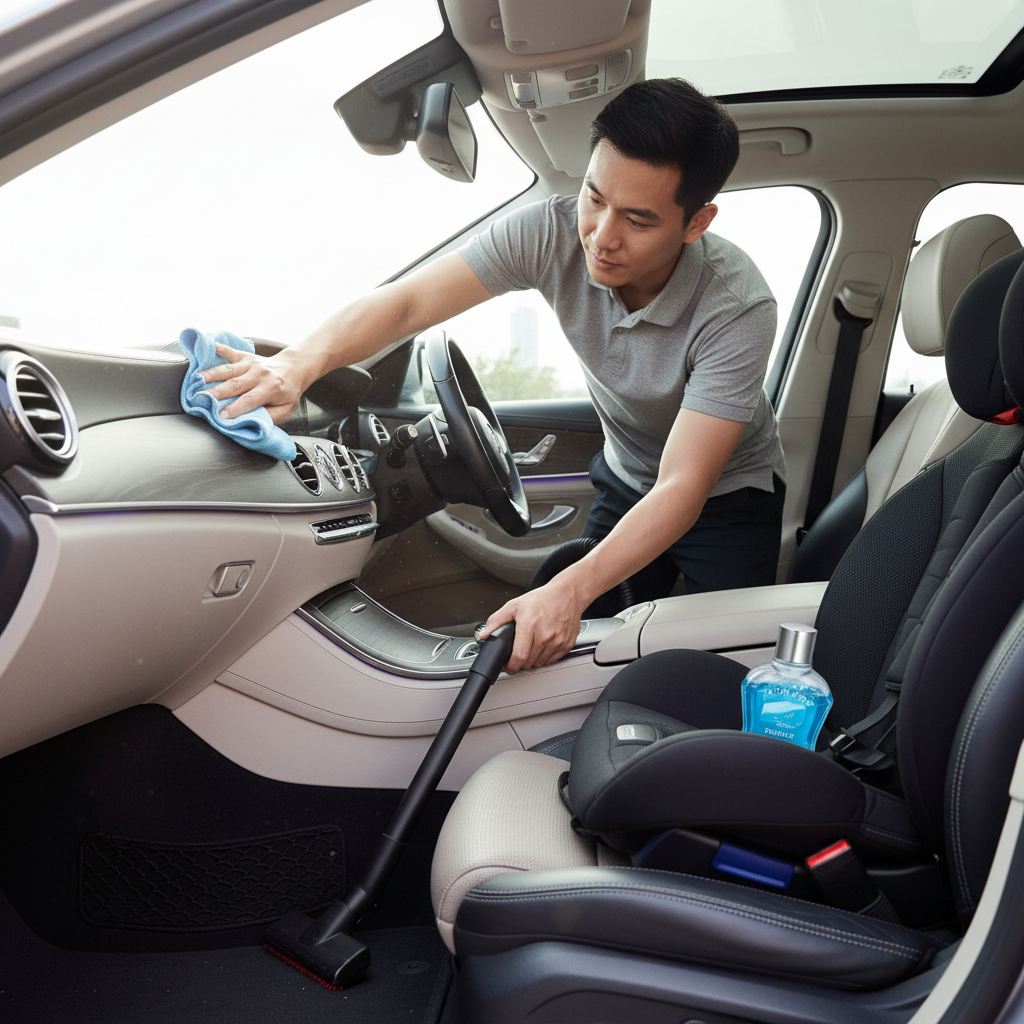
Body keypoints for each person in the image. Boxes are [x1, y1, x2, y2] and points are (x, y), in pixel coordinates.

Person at [199, 78, 786, 675]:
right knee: (567, 646)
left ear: (696, 222)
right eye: (594, 197)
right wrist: (294, 366)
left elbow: (683, 487)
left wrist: (571, 591)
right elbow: (405, 306)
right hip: (629, 471)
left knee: (738, 660)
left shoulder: (736, 307)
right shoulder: (550, 233)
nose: (602, 237)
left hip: (726, 498)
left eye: (638, 220)